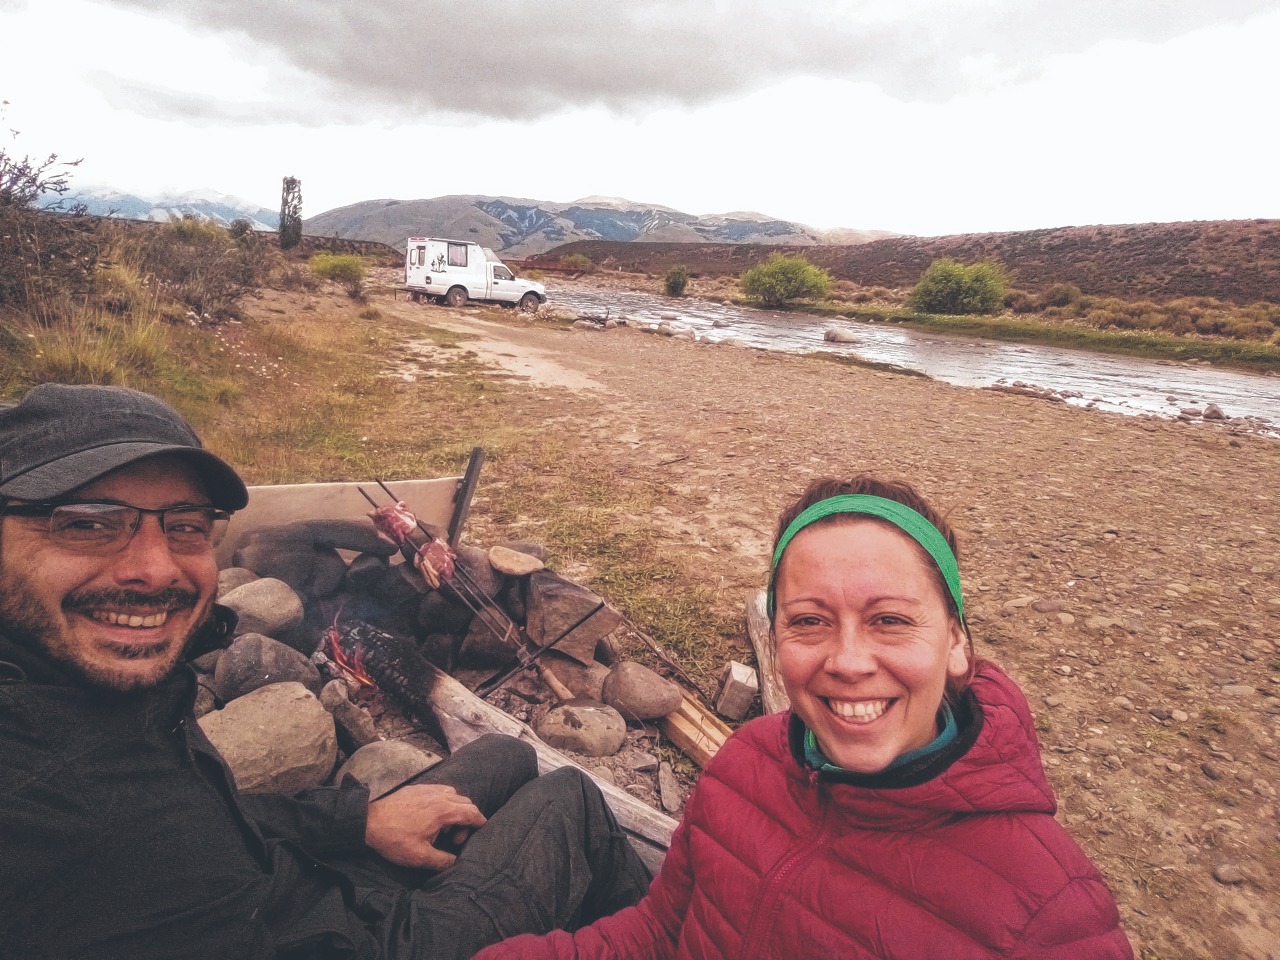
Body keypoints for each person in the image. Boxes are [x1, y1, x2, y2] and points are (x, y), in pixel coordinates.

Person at [0, 383, 651, 960]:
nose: (158, 569)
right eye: (88, 524)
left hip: (302, 884)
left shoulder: (96, 687)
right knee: (573, 798)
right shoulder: (38, 809)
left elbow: (205, 821)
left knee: (506, 753)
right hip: (375, 940)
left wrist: (357, 822)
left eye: (186, 526)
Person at [479, 476, 1134, 959]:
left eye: (891, 620)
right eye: (810, 621)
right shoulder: (749, 761)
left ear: (958, 644)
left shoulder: (1053, 919)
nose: (848, 661)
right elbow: (658, 933)